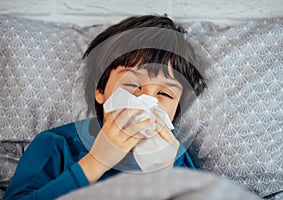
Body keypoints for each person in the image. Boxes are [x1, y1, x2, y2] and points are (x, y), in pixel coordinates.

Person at [4, 15, 206, 200]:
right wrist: (96, 162)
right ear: (100, 90)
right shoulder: (57, 145)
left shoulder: (175, 156)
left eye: (165, 94)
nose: (148, 100)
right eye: (133, 85)